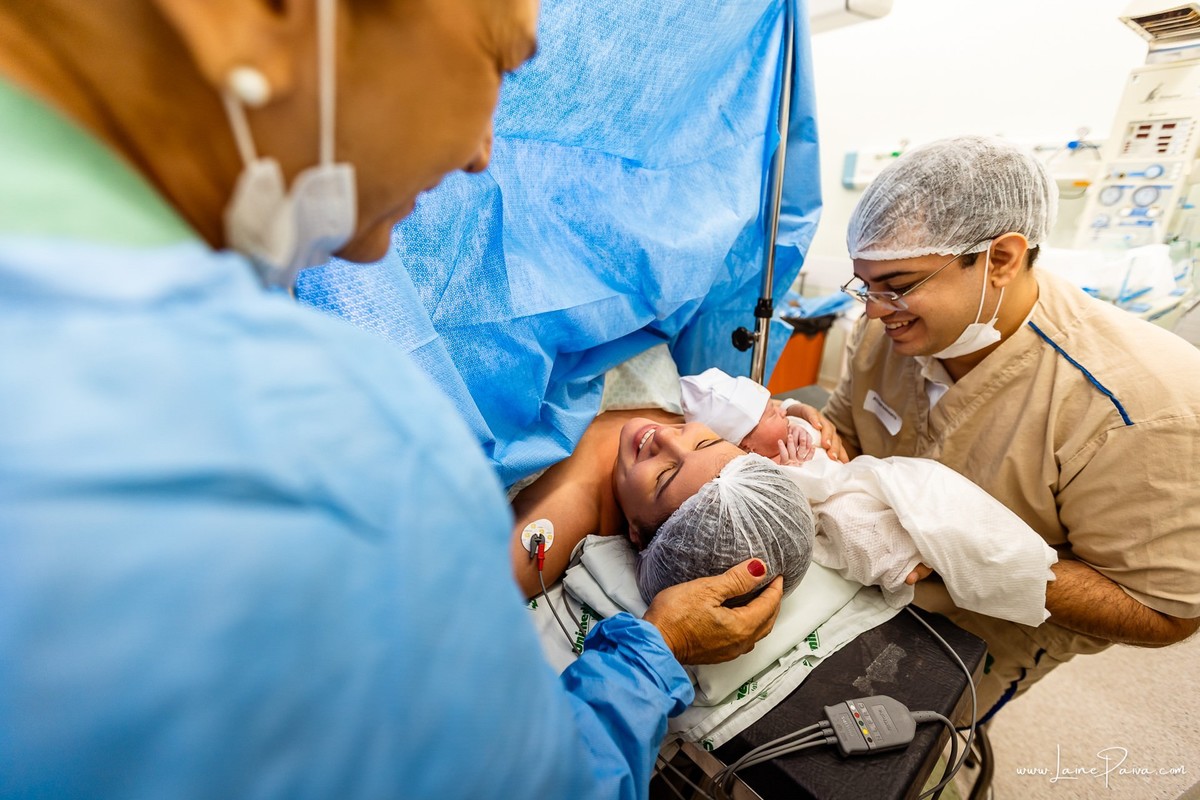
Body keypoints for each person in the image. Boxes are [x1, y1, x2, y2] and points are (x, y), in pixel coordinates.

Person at [0, 2, 787, 798]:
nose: (488, 155)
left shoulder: (516, 485)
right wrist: (775, 428)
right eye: (500, 64)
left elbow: (502, 577)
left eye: (665, 476)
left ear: (641, 527)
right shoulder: (317, 434)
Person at [823, 134, 1200, 721]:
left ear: (1001, 259)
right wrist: (805, 442)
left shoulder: (1139, 405)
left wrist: (970, 556)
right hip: (864, 581)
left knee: (902, 751)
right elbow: (844, 429)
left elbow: (1163, 611)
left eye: (897, 286)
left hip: (992, 631)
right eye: (865, 285)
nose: (873, 309)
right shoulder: (884, 333)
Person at [680, 366, 849, 463]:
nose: (782, 411)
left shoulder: (786, 431)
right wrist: (791, 470)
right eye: (773, 414)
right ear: (747, 446)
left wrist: (806, 431)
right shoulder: (759, 471)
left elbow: (817, 435)